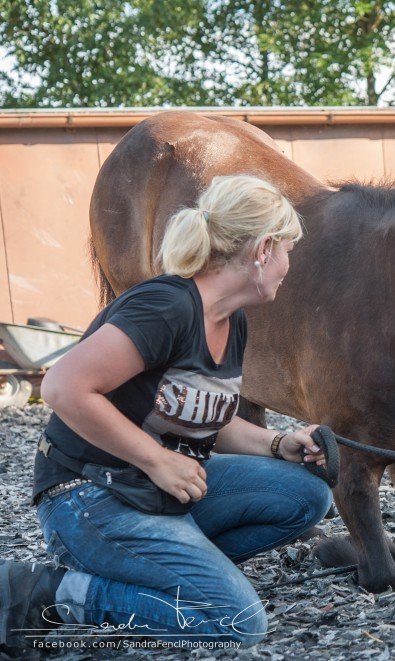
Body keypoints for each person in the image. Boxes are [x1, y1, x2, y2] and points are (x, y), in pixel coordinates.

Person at [0, 175, 334, 654]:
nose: (288, 265)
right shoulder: (166, 307)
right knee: (237, 625)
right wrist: (157, 460)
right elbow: (63, 386)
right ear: (263, 250)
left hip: (154, 490)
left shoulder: (230, 320)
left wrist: (278, 444)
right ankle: (56, 593)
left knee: (306, 495)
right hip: (88, 494)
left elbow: (202, 417)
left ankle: (167, 573)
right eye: (288, 250)